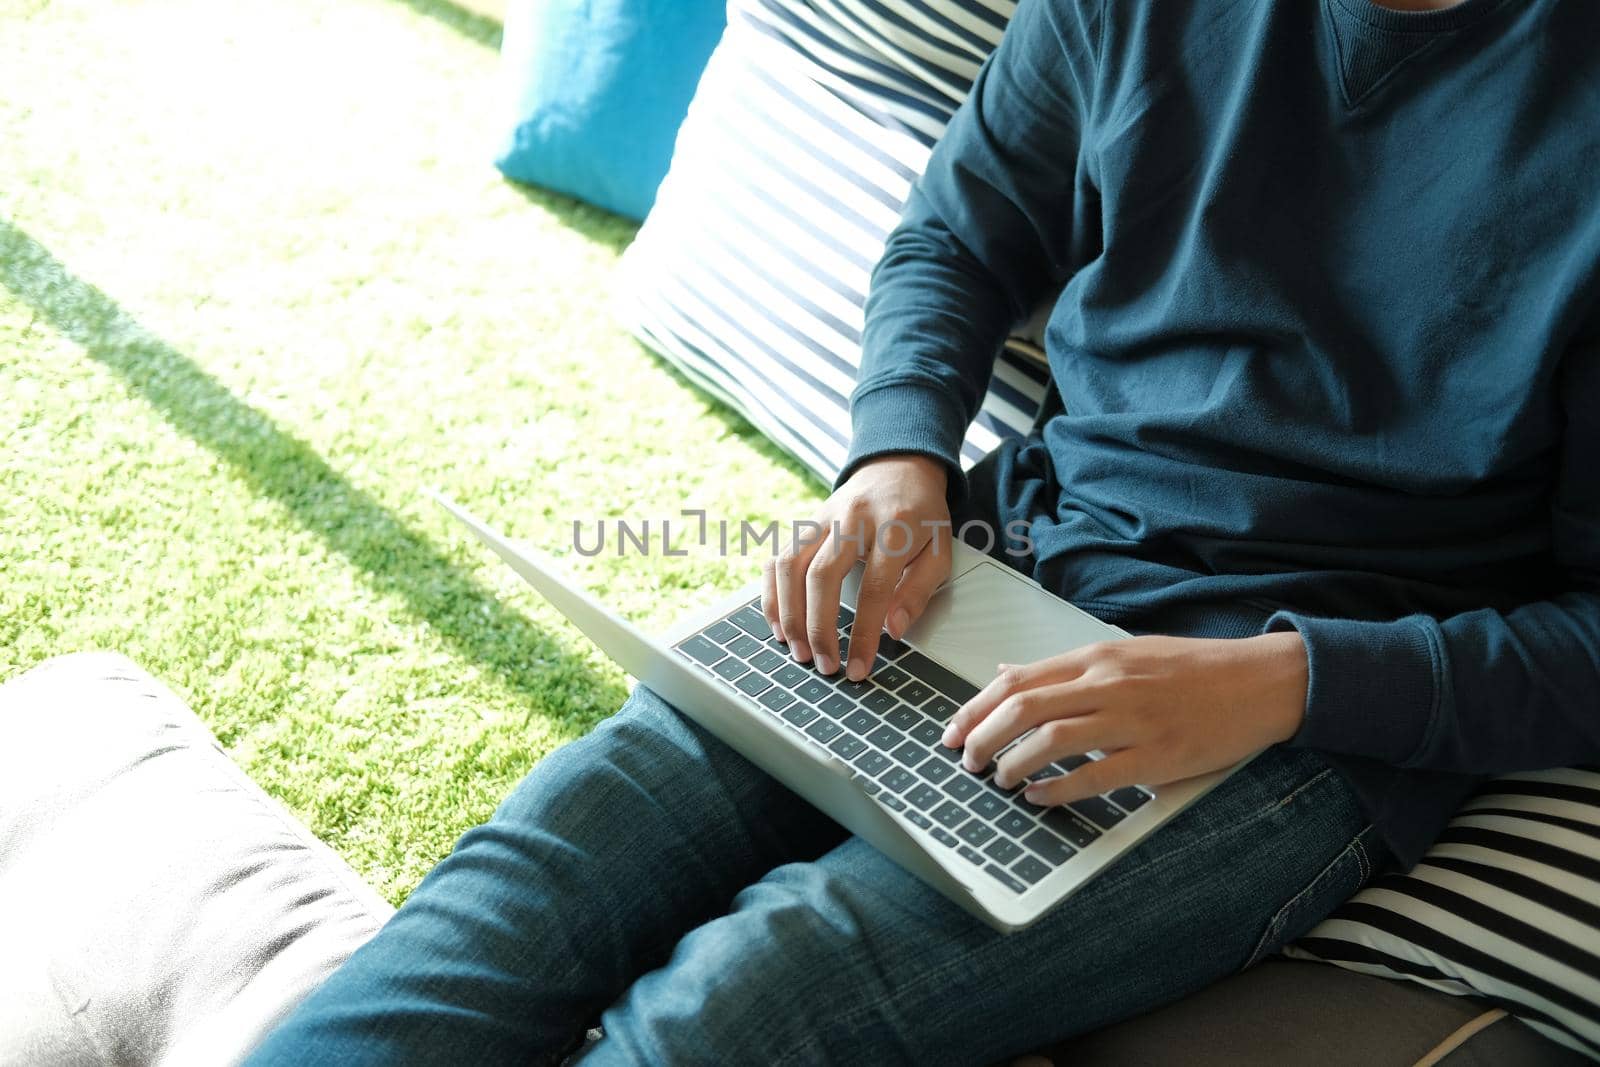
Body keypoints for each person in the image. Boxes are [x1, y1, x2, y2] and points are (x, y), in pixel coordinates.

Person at [247, 0, 1600, 1062]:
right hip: (1000, 558)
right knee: (530, 876)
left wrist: (1283, 682)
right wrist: (895, 463)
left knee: (745, 1008)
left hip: (1292, 724)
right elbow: (959, 236)